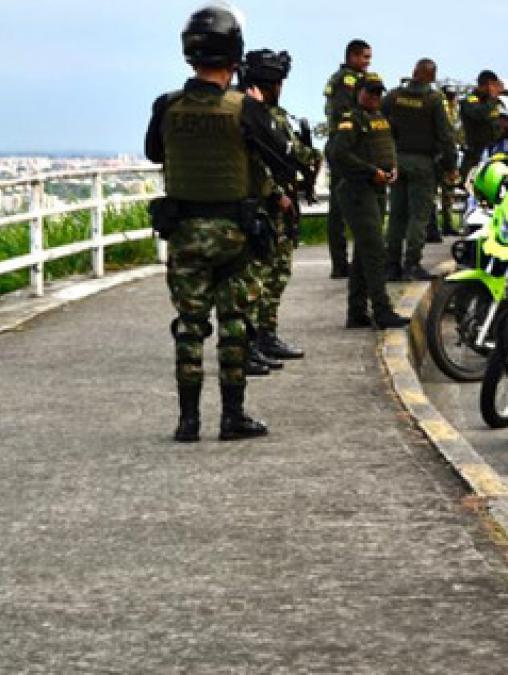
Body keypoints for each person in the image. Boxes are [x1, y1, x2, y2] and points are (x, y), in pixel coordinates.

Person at [145, 5, 301, 441]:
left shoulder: (166, 106)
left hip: (184, 233)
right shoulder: (244, 110)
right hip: (235, 235)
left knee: (189, 325)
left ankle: (187, 420)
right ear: (235, 57)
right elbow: (285, 162)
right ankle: (232, 416)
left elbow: (155, 153)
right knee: (235, 323)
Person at [240, 48, 320, 364]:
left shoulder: (271, 115)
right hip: (265, 207)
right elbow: (270, 159)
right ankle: (250, 342)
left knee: (275, 276)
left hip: (278, 206)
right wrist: (276, 193)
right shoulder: (259, 117)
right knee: (258, 279)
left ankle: (264, 336)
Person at [326, 73, 409, 330]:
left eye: (377, 93)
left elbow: (388, 147)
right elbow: (339, 153)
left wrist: (392, 168)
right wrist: (371, 171)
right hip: (357, 190)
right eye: (369, 92)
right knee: (374, 250)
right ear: (358, 92)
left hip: (377, 189)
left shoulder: (381, 118)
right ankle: (382, 310)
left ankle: (357, 311)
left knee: (364, 252)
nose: (374, 97)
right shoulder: (351, 121)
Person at [382, 58, 457, 282]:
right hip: (423, 163)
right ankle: (411, 264)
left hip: (397, 159)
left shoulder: (394, 96)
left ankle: (391, 264)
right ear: (432, 77)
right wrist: (451, 166)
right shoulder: (433, 100)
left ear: (413, 71)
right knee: (419, 216)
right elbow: (446, 136)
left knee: (397, 214)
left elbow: (380, 123)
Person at [322, 38, 371, 279]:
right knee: (340, 207)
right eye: (365, 57)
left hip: (342, 143)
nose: (368, 62)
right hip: (343, 145)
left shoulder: (343, 78)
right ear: (352, 56)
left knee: (342, 206)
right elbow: (345, 111)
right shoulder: (348, 80)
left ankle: (344, 263)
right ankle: (340, 264)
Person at [458, 70, 503, 179]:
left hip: (494, 155)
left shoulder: (497, 103)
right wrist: (492, 99)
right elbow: (479, 114)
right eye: (493, 85)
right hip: (474, 156)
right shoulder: (470, 101)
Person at [437, 85, 463, 236]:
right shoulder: (441, 107)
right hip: (441, 153)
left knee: (448, 192)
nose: (451, 97)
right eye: (449, 95)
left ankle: (446, 225)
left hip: (449, 152)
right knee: (439, 192)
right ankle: (437, 226)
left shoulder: (454, 109)